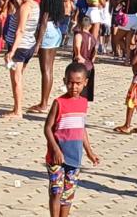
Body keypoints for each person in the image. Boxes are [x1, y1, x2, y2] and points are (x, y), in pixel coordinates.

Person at [44, 62, 100, 217]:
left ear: (85, 82)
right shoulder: (59, 103)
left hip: (74, 156)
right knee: (56, 191)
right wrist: (56, 149)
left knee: (68, 194)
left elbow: (81, 129)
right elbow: (47, 128)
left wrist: (89, 152)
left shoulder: (83, 102)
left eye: (78, 83)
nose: (74, 87)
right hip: (56, 158)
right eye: (70, 82)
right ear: (64, 81)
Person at [28, 0, 66, 115]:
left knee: (45, 69)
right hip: (56, 30)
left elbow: (43, 21)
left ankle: (43, 103)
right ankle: (44, 101)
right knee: (50, 68)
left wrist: (38, 42)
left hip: (47, 31)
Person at [4, 0, 39, 118]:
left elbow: (20, 30)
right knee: (18, 77)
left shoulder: (26, 7)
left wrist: (12, 51)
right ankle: (16, 107)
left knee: (16, 79)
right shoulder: (34, 5)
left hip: (20, 46)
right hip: (28, 44)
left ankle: (17, 110)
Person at [115, 27, 137, 135]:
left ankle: (127, 125)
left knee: (132, 100)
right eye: (136, 34)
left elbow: (133, 61)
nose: (136, 37)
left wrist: (130, 50)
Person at [72, 15, 97, 102]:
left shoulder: (79, 35)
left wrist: (78, 55)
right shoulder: (93, 37)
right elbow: (94, 53)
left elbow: (77, 45)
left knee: (77, 88)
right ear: (90, 26)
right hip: (89, 65)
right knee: (86, 89)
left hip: (80, 65)